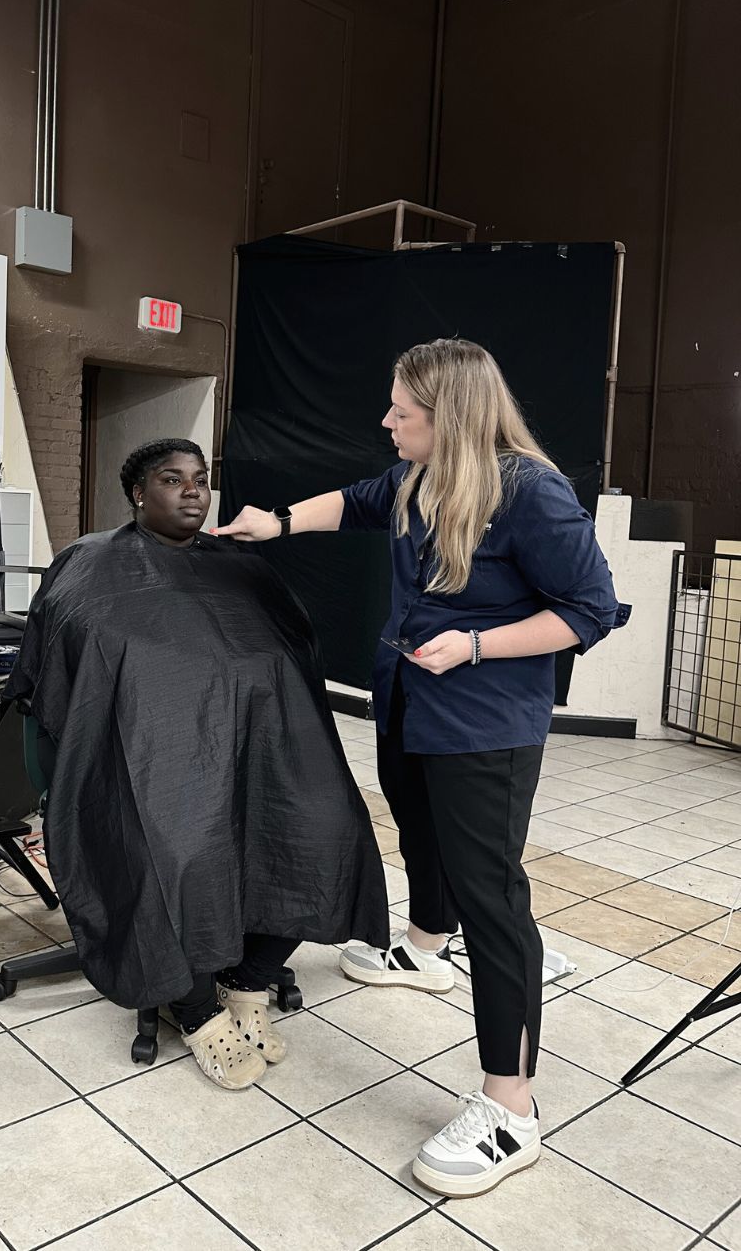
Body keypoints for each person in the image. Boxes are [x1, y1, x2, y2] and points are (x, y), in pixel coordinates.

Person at [214, 339, 629, 1194]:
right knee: (418, 831)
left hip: (485, 725)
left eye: (402, 410)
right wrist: (276, 521)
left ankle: (511, 1109)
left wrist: (478, 644)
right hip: (408, 699)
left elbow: (591, 609)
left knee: (494, 898)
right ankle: (424, 948)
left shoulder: (531, 493)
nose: (386, 420)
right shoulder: (414, 480)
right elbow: (357, 502)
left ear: (452, 417)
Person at [7, 438, 390, 1091]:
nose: (191, 490)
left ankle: (249, 982)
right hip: (141, 763)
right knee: (177, 854)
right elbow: (61, 685)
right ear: (137, 491)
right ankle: (193, 1009)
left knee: (328, 836)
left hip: (259, 750)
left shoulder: (241, 566)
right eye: (171, 478)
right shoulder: (89, 564)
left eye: (201, 478)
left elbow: (293, 655)